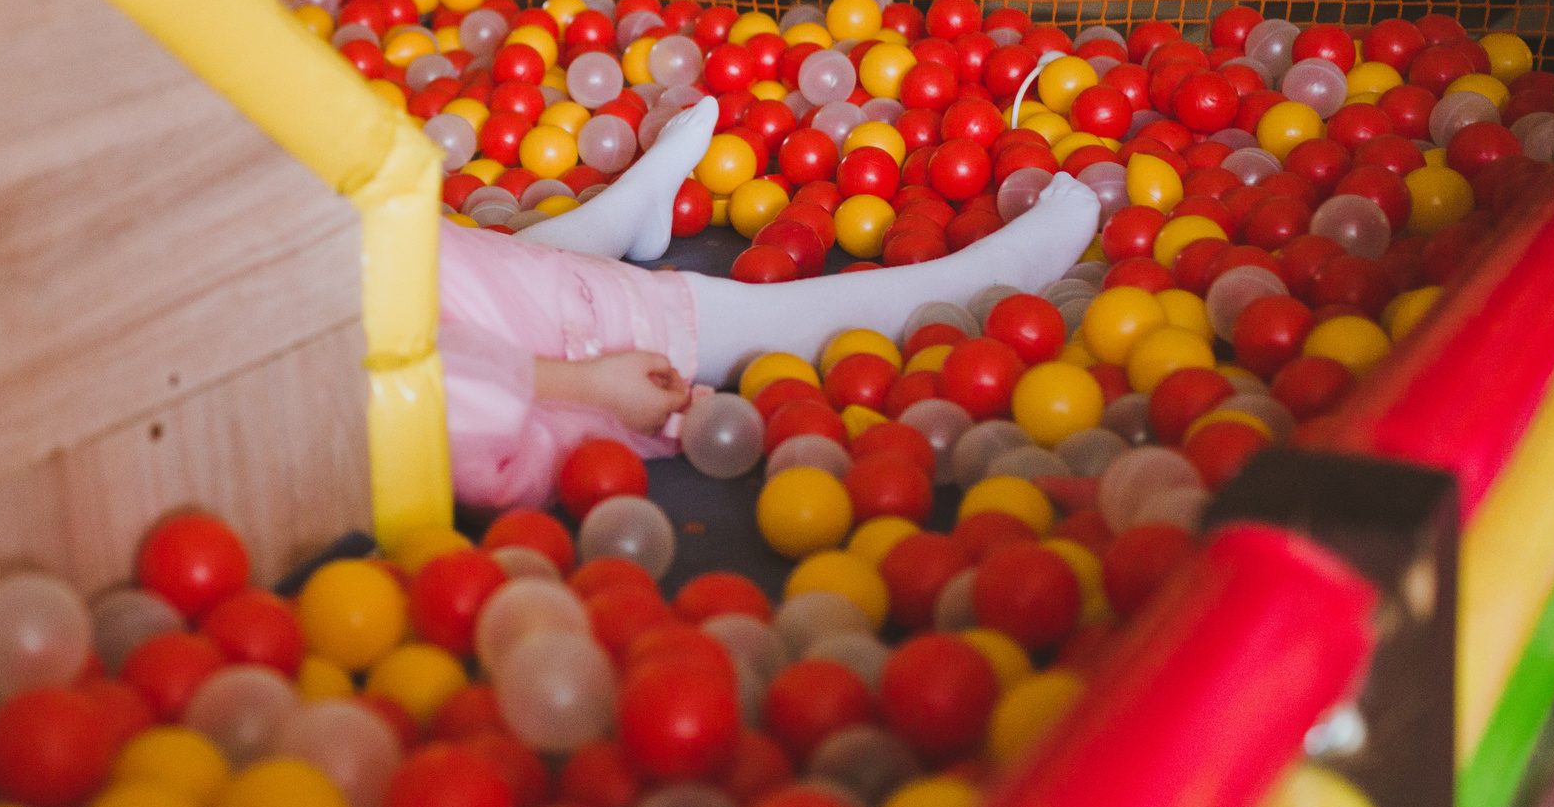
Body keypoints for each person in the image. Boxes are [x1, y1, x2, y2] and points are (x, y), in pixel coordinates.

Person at [440, 97, 1103, 507]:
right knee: (734, 320)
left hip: (419, 301)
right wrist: (587, 381)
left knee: (487, 269)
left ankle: (627, 211)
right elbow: (404, 375)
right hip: (458, 377)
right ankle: (984, 277)